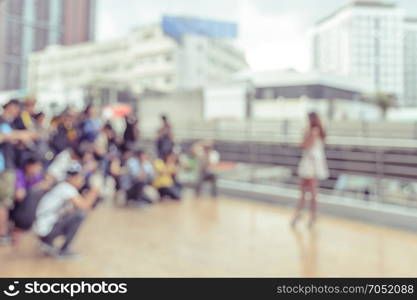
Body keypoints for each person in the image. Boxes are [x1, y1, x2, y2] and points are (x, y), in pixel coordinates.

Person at [34, 163, 99, 259]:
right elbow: (85, 206)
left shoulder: (63, 186)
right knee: (80, 215)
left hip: (43, 228)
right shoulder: (66, 188)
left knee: (75, 213)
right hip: (45, 230)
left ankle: (47, 242)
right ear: (72, 178)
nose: (82, 180)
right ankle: (63, 250)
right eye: (80, 177)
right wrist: (95, 190)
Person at [0, 99, 34, 245]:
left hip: (9, 166)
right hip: (5, 168)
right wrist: (18, 135)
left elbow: (30, 135)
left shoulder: (14, 122)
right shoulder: (4, 122)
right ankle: (2, 233)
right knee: (4, 202)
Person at [292, 112, 329, 228]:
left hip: (310, 164)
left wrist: (303, 138)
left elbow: (305, 145)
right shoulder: (317, 131)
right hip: (311, 163)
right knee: (308, 191)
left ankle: (305, 215)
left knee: (308, 192)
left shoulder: (313, 131)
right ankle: (307, 215)